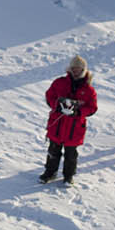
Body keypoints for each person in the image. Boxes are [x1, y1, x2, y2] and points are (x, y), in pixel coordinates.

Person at [41, 56, 97, 184]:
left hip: (75, 127)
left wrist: (78, 112)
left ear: (83, 70)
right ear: (70, 69)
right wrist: (57, 105)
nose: (76, 71)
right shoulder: (59, 82)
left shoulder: (89, 90)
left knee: (71, 155)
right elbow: (49, 95)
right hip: (57, 124)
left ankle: (68, 175)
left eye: (78, 69)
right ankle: (50, 172)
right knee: (53, 151)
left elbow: (92, 108)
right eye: (74, 68)